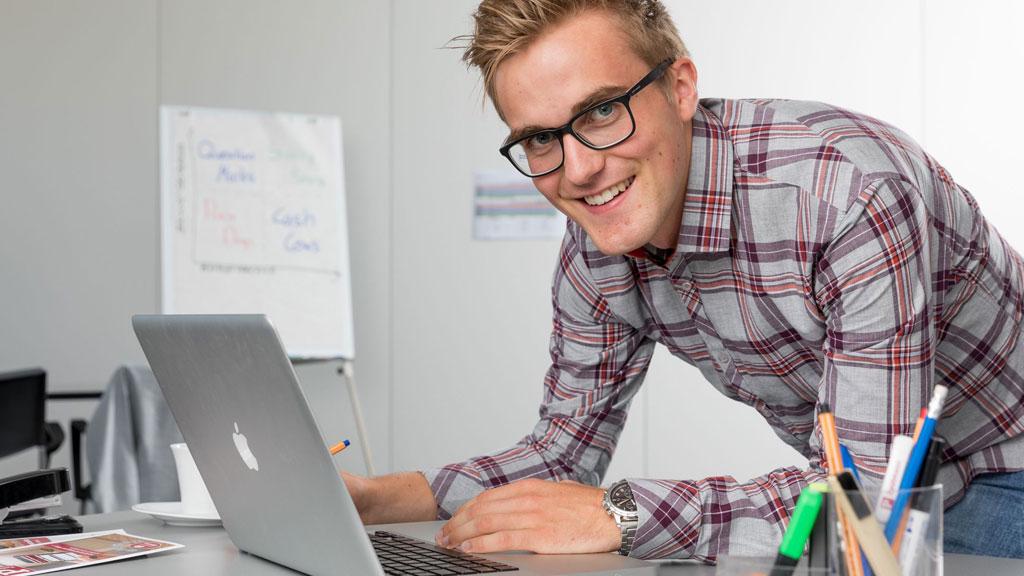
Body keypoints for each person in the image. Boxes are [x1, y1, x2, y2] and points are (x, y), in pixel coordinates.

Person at [344, 0, 1024, 562]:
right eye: (541, 140)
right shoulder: (597, 249)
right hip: (886, 501)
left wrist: (625, 513)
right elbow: (562, 454)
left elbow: (865, 497)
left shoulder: (845, 194)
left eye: (602, 110)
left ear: (680, 87)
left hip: (1003, 472)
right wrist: (375, 497)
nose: (578, 169)